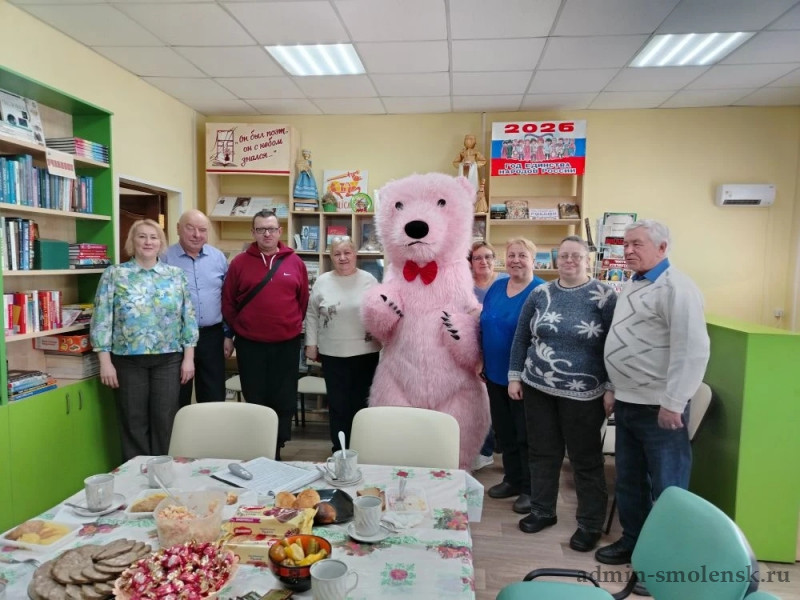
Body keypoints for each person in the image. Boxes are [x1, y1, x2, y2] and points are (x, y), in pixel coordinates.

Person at [597, 220, 710, 568]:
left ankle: (665, 563)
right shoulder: (633, 284)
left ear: (662, 248)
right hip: (628, 402)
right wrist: (613, 387)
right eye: (625, 244)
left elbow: (692, 351)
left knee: (668, 490)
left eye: (637, 244)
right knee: (629, 482)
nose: (628, 250)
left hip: (660, 409)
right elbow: (622, 339)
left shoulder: (677, 288)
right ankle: (633, 543)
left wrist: (674, 403)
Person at [508, 236, 616, 550]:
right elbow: (521, 338)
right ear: (556, 260)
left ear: (587, 260)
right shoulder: (540, 293)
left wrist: (611, 387)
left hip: (584, 394)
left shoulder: (605, 296)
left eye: (576, 256)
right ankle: (543, 511)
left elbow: (614, 345)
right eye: (564, 255)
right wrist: (515, 376)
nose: (569, 261)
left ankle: (590, 524)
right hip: (537, 387)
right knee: (542, 453)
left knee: (585, 459)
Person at [91, 219, 198, 460]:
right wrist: (105, 362)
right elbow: (102, 319)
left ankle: (163, 472)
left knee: (165, 420)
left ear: (161, 242)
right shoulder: (114, 275)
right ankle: (135, 475)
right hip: (127, 360)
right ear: (132, 241)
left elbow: (188, 318)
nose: (148, 242)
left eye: (154, 237)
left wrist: (188, 358)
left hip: (169, 359)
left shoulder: (175, 275)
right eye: (142, 236)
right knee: (133, 421)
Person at [222, 209, 309, 457]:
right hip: (250, 345)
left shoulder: (295, 262)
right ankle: (258, 447)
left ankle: (277, 448)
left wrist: (288, 323)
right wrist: (241, 328)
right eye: (261, 229)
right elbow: (228, 301)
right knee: (256, 396)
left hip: (286, 344)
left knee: (284, 397)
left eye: (271, 229)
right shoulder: (239, 263)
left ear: (280, 231)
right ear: (253, 232)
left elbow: (302, 301)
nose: (267, 234)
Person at [480, 238, 545, 513]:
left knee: (525, 435)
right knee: (505, 432)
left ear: (533, 260)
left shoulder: (541, 291)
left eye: (522, 255)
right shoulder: (497, 287)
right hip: (494, 373)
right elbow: (483, 324)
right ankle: (512, 479)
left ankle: (530, 489)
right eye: (511, 255)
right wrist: (481, 360)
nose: (516, 260)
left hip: (525, 378)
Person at [304, 237, 380, 452]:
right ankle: (339, 449)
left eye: (347, 252)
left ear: (355, 254)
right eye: (337, 254)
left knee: (361, 403)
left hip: (365, 353)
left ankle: (361, 447)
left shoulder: (369, 280)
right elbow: (312, 314)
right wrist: (311, 344)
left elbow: (380, 313)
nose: (343, 257)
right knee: (338, 404)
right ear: (331, 257)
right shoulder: (322, 281)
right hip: (332, 353)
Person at [163, 209, 234, 406]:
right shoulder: (164, 258)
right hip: (176, 337)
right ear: (178, 228)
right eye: (190, 228)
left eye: (202, 230)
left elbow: (227, 298)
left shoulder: (218, 258)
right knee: (177, 395)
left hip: (212, 336)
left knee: (213, 395)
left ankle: (209, 427)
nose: (196, 235)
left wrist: (228, 335)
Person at [470, 240, 508, 471]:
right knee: (478, 404)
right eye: (477, 258)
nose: (483, 261)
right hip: (471, 351)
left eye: (488, 257)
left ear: (495, 259)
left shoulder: (505, 282)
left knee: (501, 405)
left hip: (500, 350)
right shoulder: (464, 286)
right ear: (471, 263)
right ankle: (483, 451)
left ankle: (500, 450)